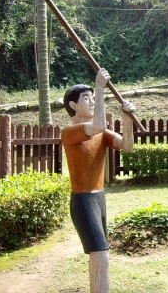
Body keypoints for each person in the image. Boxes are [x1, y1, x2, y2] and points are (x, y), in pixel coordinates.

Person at [62, 68, 135, 293]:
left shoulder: (101, 135)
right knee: (101, 255)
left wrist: (127, 118)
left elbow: (127, 145)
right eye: (87, 98)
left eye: (93, 97)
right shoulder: (70, 132)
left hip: (99, 199)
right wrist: (100, 87)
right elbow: (98, 126)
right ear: (73, 105)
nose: (92, 101)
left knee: (100, 255)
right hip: (83, 201)